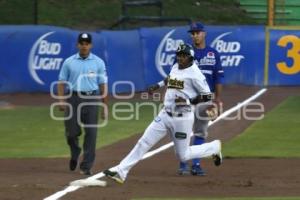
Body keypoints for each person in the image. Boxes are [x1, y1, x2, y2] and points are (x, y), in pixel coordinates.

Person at [103, 43, 222, 184]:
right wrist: (157, 85)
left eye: (184, 56)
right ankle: (121, 171)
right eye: (179, 55)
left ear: (190, 58)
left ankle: (213, 147)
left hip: (182, 119)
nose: (180, 58)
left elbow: (207, 96)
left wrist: (188, 101)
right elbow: (170, 78)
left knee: (183, 156)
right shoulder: (176, 66)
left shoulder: (195, 75)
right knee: (144, 141)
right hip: (165, 114)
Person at [57, 33, 108, 175]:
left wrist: (104, 106)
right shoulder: (69, 62)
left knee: (91, 133)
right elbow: (61, 82)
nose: (84, 45)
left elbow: (103, 85)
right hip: (73, 98)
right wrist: (61, 100)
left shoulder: (98, 62)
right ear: (77, 45)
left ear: (90, 45)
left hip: (92, 99)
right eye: (82, 43)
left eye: (87, 43)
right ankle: (75, 151)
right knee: (71, 133)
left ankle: (86, 166)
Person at [178, 22, 224, 176]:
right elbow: (173, 76)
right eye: (192, 33)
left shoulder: (213, 53)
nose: (195, 35)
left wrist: (217, 99)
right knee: (183, 131)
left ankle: (196, 165)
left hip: (205, 99)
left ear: (204, 33)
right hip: (187, 98)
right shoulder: (184, 52)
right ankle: (183, 163)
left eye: (197, 32)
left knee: (200, 132)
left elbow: (218, 77)